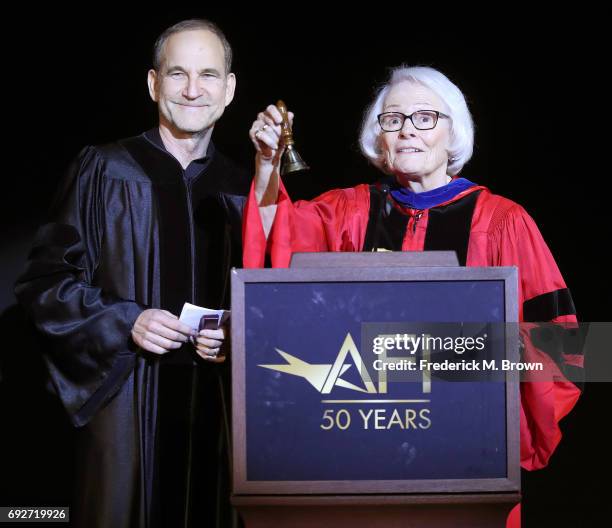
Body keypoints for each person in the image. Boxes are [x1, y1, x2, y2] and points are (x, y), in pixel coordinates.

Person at [243, 65, 582, 527]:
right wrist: (267, 164)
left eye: (425, 117)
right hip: (359, 451)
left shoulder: (504, 222)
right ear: (378, 136)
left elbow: (568, 351)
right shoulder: (350, 212)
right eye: (393, 118)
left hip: (467, 458)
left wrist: (425, 354)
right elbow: (271, 256)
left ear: (453, 131)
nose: (406, 131)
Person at [15, 19, 248, 528]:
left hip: (222, 416)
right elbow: (44, 285)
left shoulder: (244, 186)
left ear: (228, 89)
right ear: (152, 83)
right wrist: (127, 321)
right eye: (177, 73)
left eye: (208, 74)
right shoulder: (104, 169)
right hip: (128, 409)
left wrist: (240, 334)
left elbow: (276, 297)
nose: (192, 89)